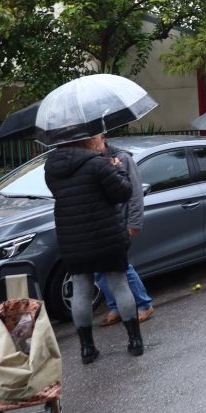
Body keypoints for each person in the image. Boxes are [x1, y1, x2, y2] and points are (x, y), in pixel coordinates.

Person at [44, 133, 145, 363]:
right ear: (85, 141)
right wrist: (118, 169)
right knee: (119, 285)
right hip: (107, 236)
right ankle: (135, 341)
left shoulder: (51, 168)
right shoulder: (98, 164)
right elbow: (122, 192)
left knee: (81, 290)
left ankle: (87, 349)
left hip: (73, 238)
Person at [96, 138, 154, 326]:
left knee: (121, 267)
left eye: (94, 137)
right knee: (99, 269)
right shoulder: (91, 160)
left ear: (102, 137)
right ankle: (115, 307)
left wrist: (134, 222)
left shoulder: (122, 158)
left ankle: (144, 304)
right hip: (100, 223)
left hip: (119, 222)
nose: (91, 142)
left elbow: (136, 193)